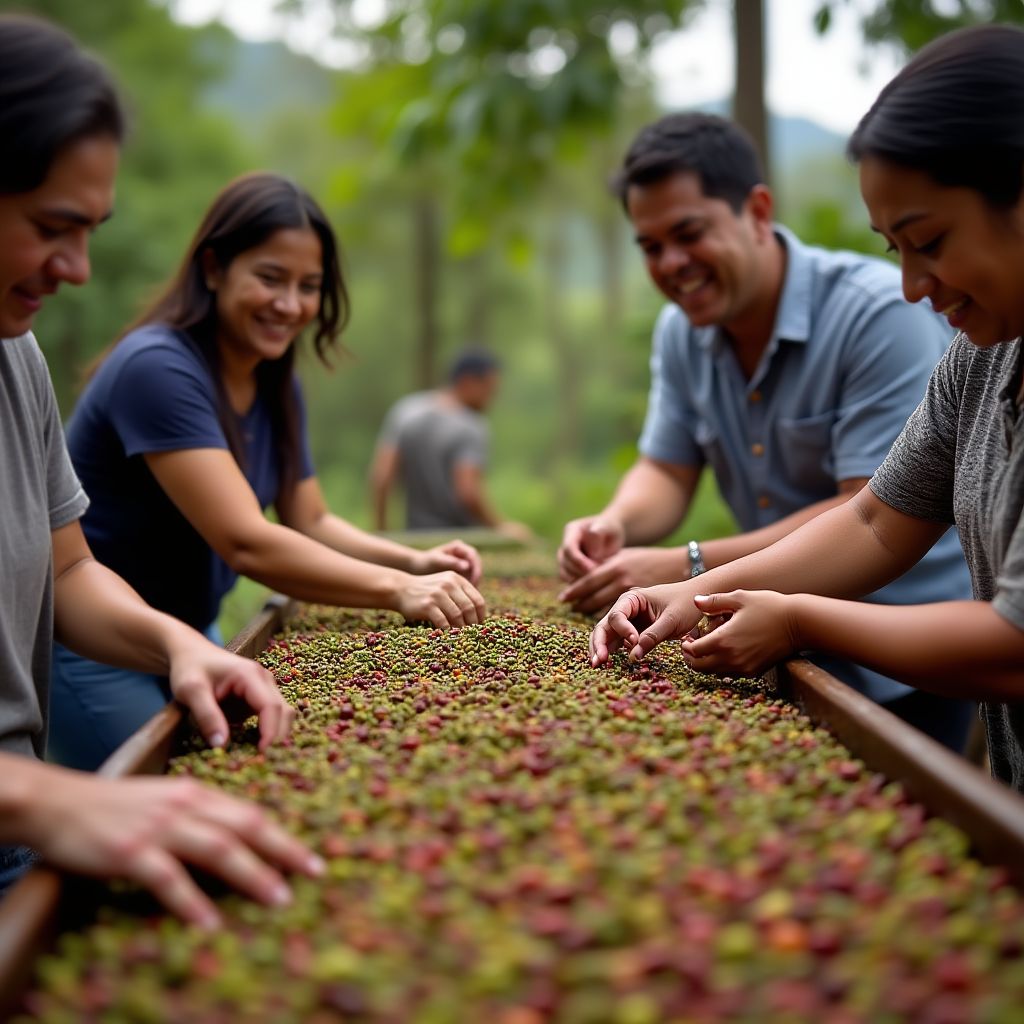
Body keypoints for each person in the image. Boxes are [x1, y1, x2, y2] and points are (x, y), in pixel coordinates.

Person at [590, 24, 1024, 791]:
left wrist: (792, 615)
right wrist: (689, 595)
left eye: (929, 241)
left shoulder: (878, 318)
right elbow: (874, 520)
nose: (912, 287)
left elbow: (1011, 645)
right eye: (894, 249)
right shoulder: (978, 357)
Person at [0, 13, 321, 926]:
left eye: (90, 231)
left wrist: (178, 645)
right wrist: (55, 799)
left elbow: (69, 571)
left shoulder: (17, 357)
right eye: (52, 228)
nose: (77, 268)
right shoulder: (157, 367)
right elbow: (246, 536)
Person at [559, 111, 975, 749]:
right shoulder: (683, 331)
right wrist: (617, 523)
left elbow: (868, 510)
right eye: (650, 247)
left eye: (688, 233)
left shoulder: (880, 316)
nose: (672, 263)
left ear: (756, 211)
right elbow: (667, 466)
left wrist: (692, 566)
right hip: (767, 634)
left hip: (909, 655)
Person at [51, 173, 488, 772]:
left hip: (192, 631)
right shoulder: (157, 368)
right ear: (214, 268)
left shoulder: (274, 380)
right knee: (177, 791)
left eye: (309, 286)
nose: (290, 305)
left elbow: (311, 518)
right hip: (98, 647)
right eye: (270, 278)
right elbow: (245, 541)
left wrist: (413, 561)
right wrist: (397, 590)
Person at [371, 348, 530, 538]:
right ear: (467, 381)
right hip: (460, 539)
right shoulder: (471, 425)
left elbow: (382, 478)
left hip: (416, 536)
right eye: (489, 389)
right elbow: (468, 493)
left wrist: (382, 532)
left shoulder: (405, 411)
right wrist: (500, 527)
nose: (491, 399)